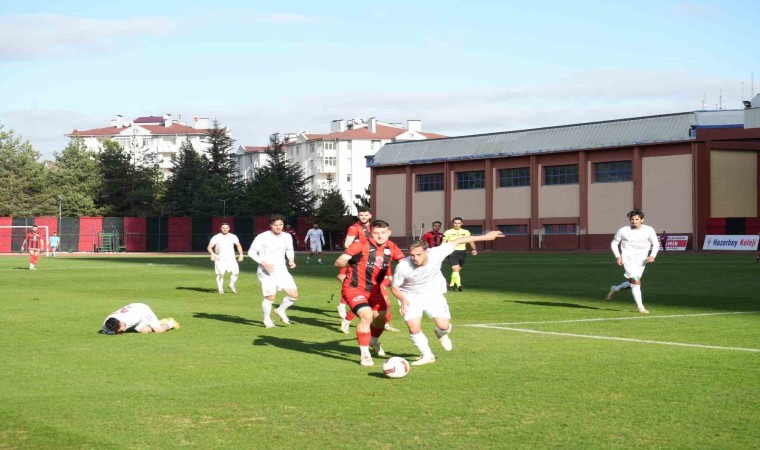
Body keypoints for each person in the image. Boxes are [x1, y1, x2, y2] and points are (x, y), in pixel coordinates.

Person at [391, 230, 505, 365]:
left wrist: (485, 237)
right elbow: (394, 287)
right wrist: (403, 300)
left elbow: (459, 240)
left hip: (433, 294)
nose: (415, 258)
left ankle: (441, 333)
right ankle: (427, 355)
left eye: (418, 254)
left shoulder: (437, 253)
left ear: (427, 251)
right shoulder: (403, 266)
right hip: (410, 296)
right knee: (414, 327)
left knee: (443, 326)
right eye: (412, 255)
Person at [335, 219, 406, 366]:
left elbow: (405, 263)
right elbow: (338, 262)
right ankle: (365, 354)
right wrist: (350, 260)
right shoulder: (360, 244)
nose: (380, 236)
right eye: (376, 233)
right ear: (371, 233)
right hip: (354, 287)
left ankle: (373, 340)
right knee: (366, 315)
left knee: (381, 319)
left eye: (383, 233)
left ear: (389, 232)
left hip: (375, 289)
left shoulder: (392, 246)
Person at [336, 208, 400, 334]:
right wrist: (350, 263)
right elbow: (347, 246)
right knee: (366, 300)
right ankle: (348, 318)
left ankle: (383, 324)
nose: (364, 217)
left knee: (383, 301)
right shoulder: (354, 228)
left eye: (366, 215)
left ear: (370, 215)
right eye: (361, 215)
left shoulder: (376, 227)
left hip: (379, 266)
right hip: (361, 263)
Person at [248, 214, 299, 328]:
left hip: (281, 270)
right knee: (271, 297)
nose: (278, 227)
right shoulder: (262, 237)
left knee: (293, 295)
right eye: (275, 225)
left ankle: (280, 310)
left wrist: (291, 260)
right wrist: (263, 263)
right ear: (270, 225)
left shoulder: (287, 236)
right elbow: (251, 252)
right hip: (265, 271)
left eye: (281, 224)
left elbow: (289, 249)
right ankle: (266, 318)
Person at [606, 209, 660, 314]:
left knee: (633, 282)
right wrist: (618, 256)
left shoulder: (649, 230)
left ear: (642, 220)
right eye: (632, 219)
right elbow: (614, 243)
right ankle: (641, 307)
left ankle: (615, 289)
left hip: (642, 261)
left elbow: (656, 244)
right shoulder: (623, 230)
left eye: (636, 219)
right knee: (636, 280)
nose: (634, 221)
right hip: (627, 259)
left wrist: (652, 255)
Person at [207, 223, 244, 294]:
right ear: (220, 228)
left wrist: (241, 255)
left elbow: (238, 245)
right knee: (220, 274)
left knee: (235, 273)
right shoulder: (216, 237)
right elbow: (209, 247)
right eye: (223, 228)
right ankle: (220, 289)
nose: (225, 229)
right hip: (220, 258)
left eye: (226, 228)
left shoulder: (233, 237)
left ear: (229, 228)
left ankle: (231, 285)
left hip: (231, 258)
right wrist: (212, 254)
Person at [442, 217, 477, 291]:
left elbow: (471, 240)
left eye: (458, 223)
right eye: (455, 223)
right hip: (452, 252)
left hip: (462, 252)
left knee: (457, 270)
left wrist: (474, 249)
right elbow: (443, 242)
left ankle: (451, 285)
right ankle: (459, 286)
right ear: (453, 223)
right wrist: (442, 252)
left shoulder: (466, 231)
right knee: (455, 269)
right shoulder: (448, 232)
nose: (457, 224)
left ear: (461, 223)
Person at [102, 303, 179, 335]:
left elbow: (141, 319)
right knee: (145, 330)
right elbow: (107, 331)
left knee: (158, 330)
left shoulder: (131, 319)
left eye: (120, 326)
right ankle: (159, 322)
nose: (120, 329)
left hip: (141, 310)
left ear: (120, 322)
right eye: (117, 329)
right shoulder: (106, 325)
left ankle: (170, 322)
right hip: (133, 311)